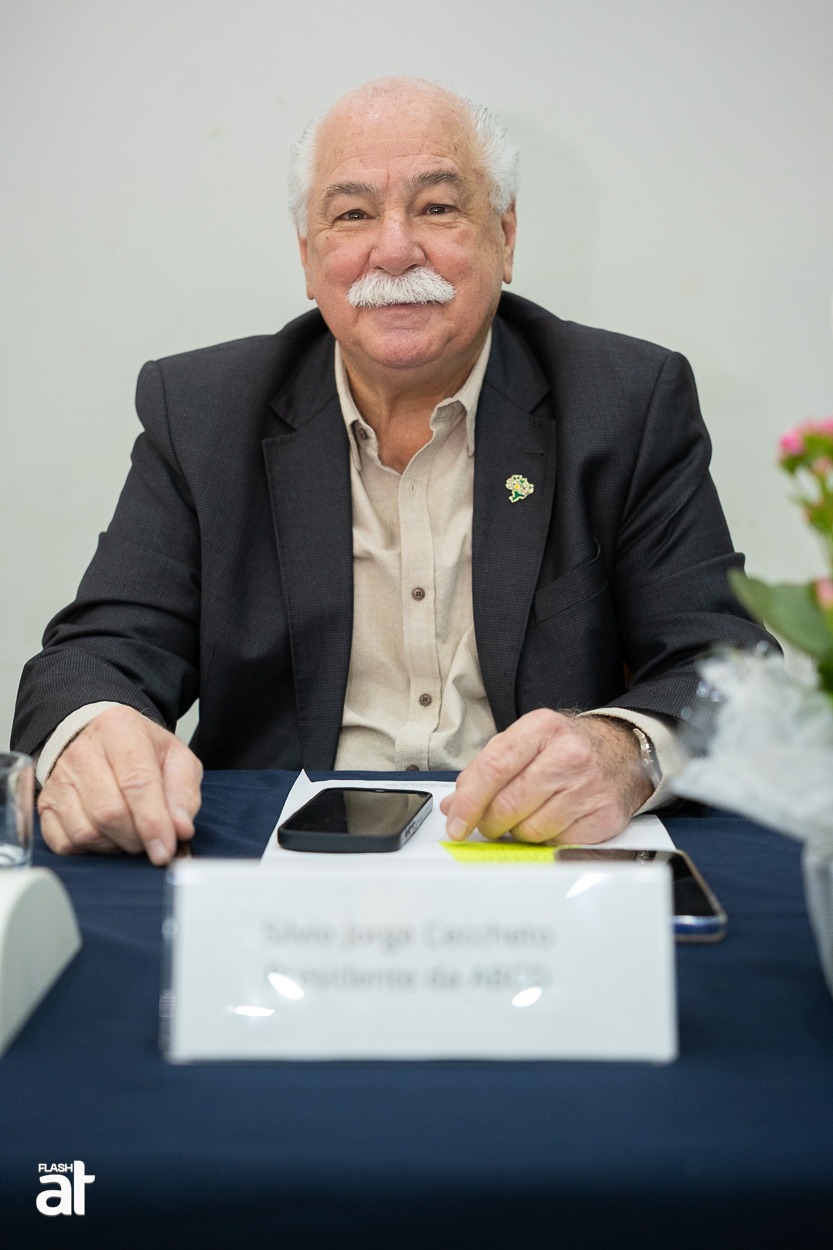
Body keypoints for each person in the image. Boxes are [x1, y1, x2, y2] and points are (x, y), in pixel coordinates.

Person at [12, 77, 767, 866]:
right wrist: (96, 732)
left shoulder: (623, 401)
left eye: (436, 207)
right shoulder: (203, 412)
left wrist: (624, 750)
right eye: (352, 215)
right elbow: (95, 653)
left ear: (505, 237)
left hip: (533, 849)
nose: (395, 250)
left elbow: (721, 666)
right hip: (274, 860)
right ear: (308, 258)